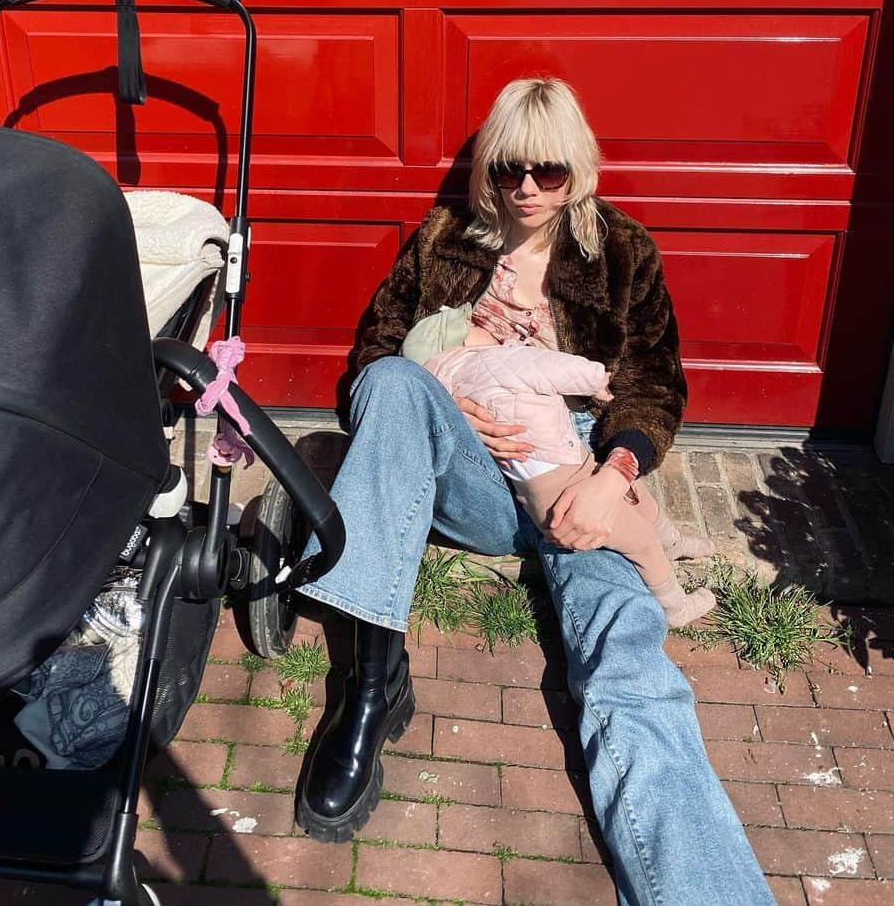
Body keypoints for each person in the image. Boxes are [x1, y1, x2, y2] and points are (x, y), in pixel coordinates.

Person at [294, 77, 774, 905]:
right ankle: (374, 682)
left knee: (627, 654)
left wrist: (612, 472)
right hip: (472, 470)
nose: (526, 188)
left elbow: (654, 385)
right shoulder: (447, 237)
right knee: (398, 388)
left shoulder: (622, 251)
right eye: (510, 167)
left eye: (547, 171)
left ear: (577, 170)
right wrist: (457, 409)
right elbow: (369, 366)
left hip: (579, 474)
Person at [405, 307, 717, 625]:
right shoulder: (494, 360)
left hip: (541, 495)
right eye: (470, 326)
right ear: (460, 343)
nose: (480, 326)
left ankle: (675, 543)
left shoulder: (446, 386)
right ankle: (675, 605)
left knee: (634, 495)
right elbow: (549, 366)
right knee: (640, 542)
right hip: (569, 485)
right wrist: (594, 379)